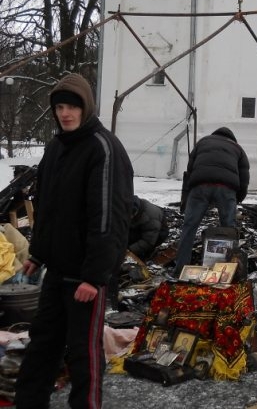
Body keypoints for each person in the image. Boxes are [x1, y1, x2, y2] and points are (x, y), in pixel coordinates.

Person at [15, 73, 133, 409]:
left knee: (84, 353)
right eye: (59, 107)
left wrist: (94, 277)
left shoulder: (103, 148)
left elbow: (108, 218)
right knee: (42, 344)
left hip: (86, 277)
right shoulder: (56, 147)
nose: (65, 113)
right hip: (57, 271)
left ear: (86, 107)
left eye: (72, 106)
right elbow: (47, 207)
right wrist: (38, 253)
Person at [173, 127, 249, 277]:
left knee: (189, 227)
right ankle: (228, 273)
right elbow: (244, 178)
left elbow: (190, 170)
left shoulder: (202, 142)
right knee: (229, 230)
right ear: (232, 138)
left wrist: (186, 196)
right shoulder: (238, 149)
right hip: (226, 189)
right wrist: (238, 198)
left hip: (200, 186)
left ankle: (180, 270)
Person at [128, 195, 169, 261]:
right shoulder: (128, 206)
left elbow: (148, 241)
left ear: (135, 212)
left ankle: (148, 255)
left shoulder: (150, 217)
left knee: (143, 250)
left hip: (158, 233)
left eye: (131, 216)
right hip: (141, 226)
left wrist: (129, 251)